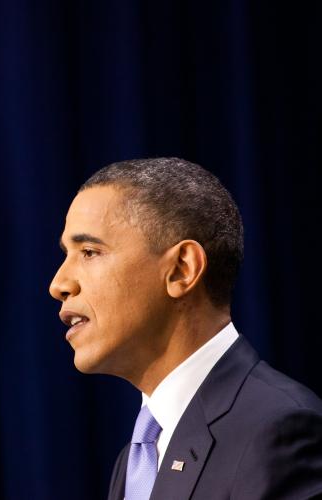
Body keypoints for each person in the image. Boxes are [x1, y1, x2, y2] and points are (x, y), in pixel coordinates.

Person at [48, 158, 322, 500]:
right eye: (67, 254)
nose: (59, 284)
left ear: (181, 270)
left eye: (89, 252)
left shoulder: (277, 430)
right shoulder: (136, 458)